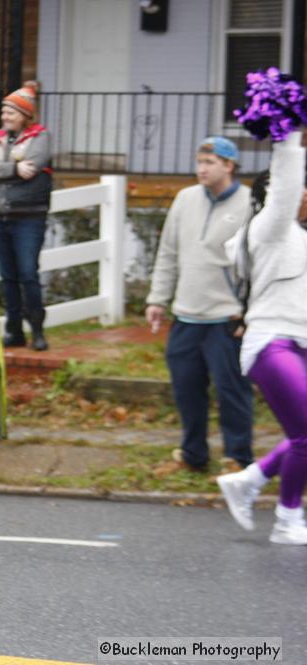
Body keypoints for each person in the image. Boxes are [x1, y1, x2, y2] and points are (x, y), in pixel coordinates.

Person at [216, 130, 307, 544]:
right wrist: (288, 138)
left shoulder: (299, 238)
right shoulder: (270, 230)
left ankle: (249, 479)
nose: (304, 193)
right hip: (271, 343)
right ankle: (288, 520)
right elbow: (286, 188)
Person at [145, 136, 254, 473]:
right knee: (187, 390)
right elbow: (168, 253)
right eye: (199, 162)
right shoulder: (185, 199)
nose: (201, 169)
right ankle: (193, 455)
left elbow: (259, 262)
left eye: (209, 163)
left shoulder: (250, 203)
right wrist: (157, 299)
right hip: (187, 314)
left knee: (231, 390)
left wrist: (249, 311)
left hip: (227, 316)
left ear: (229, 165)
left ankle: (238, 457)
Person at [0, 81, 53, 351]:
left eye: (10, 112)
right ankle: (14, 330)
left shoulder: (41, 137)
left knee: (28, 273)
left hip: (29, 216)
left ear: (25, 115)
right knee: (7, 275)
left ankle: (37, 329)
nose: (4, 117)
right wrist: (14, 167)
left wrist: (6, 168)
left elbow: (33, 168)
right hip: (0, 215)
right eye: (4, 112)